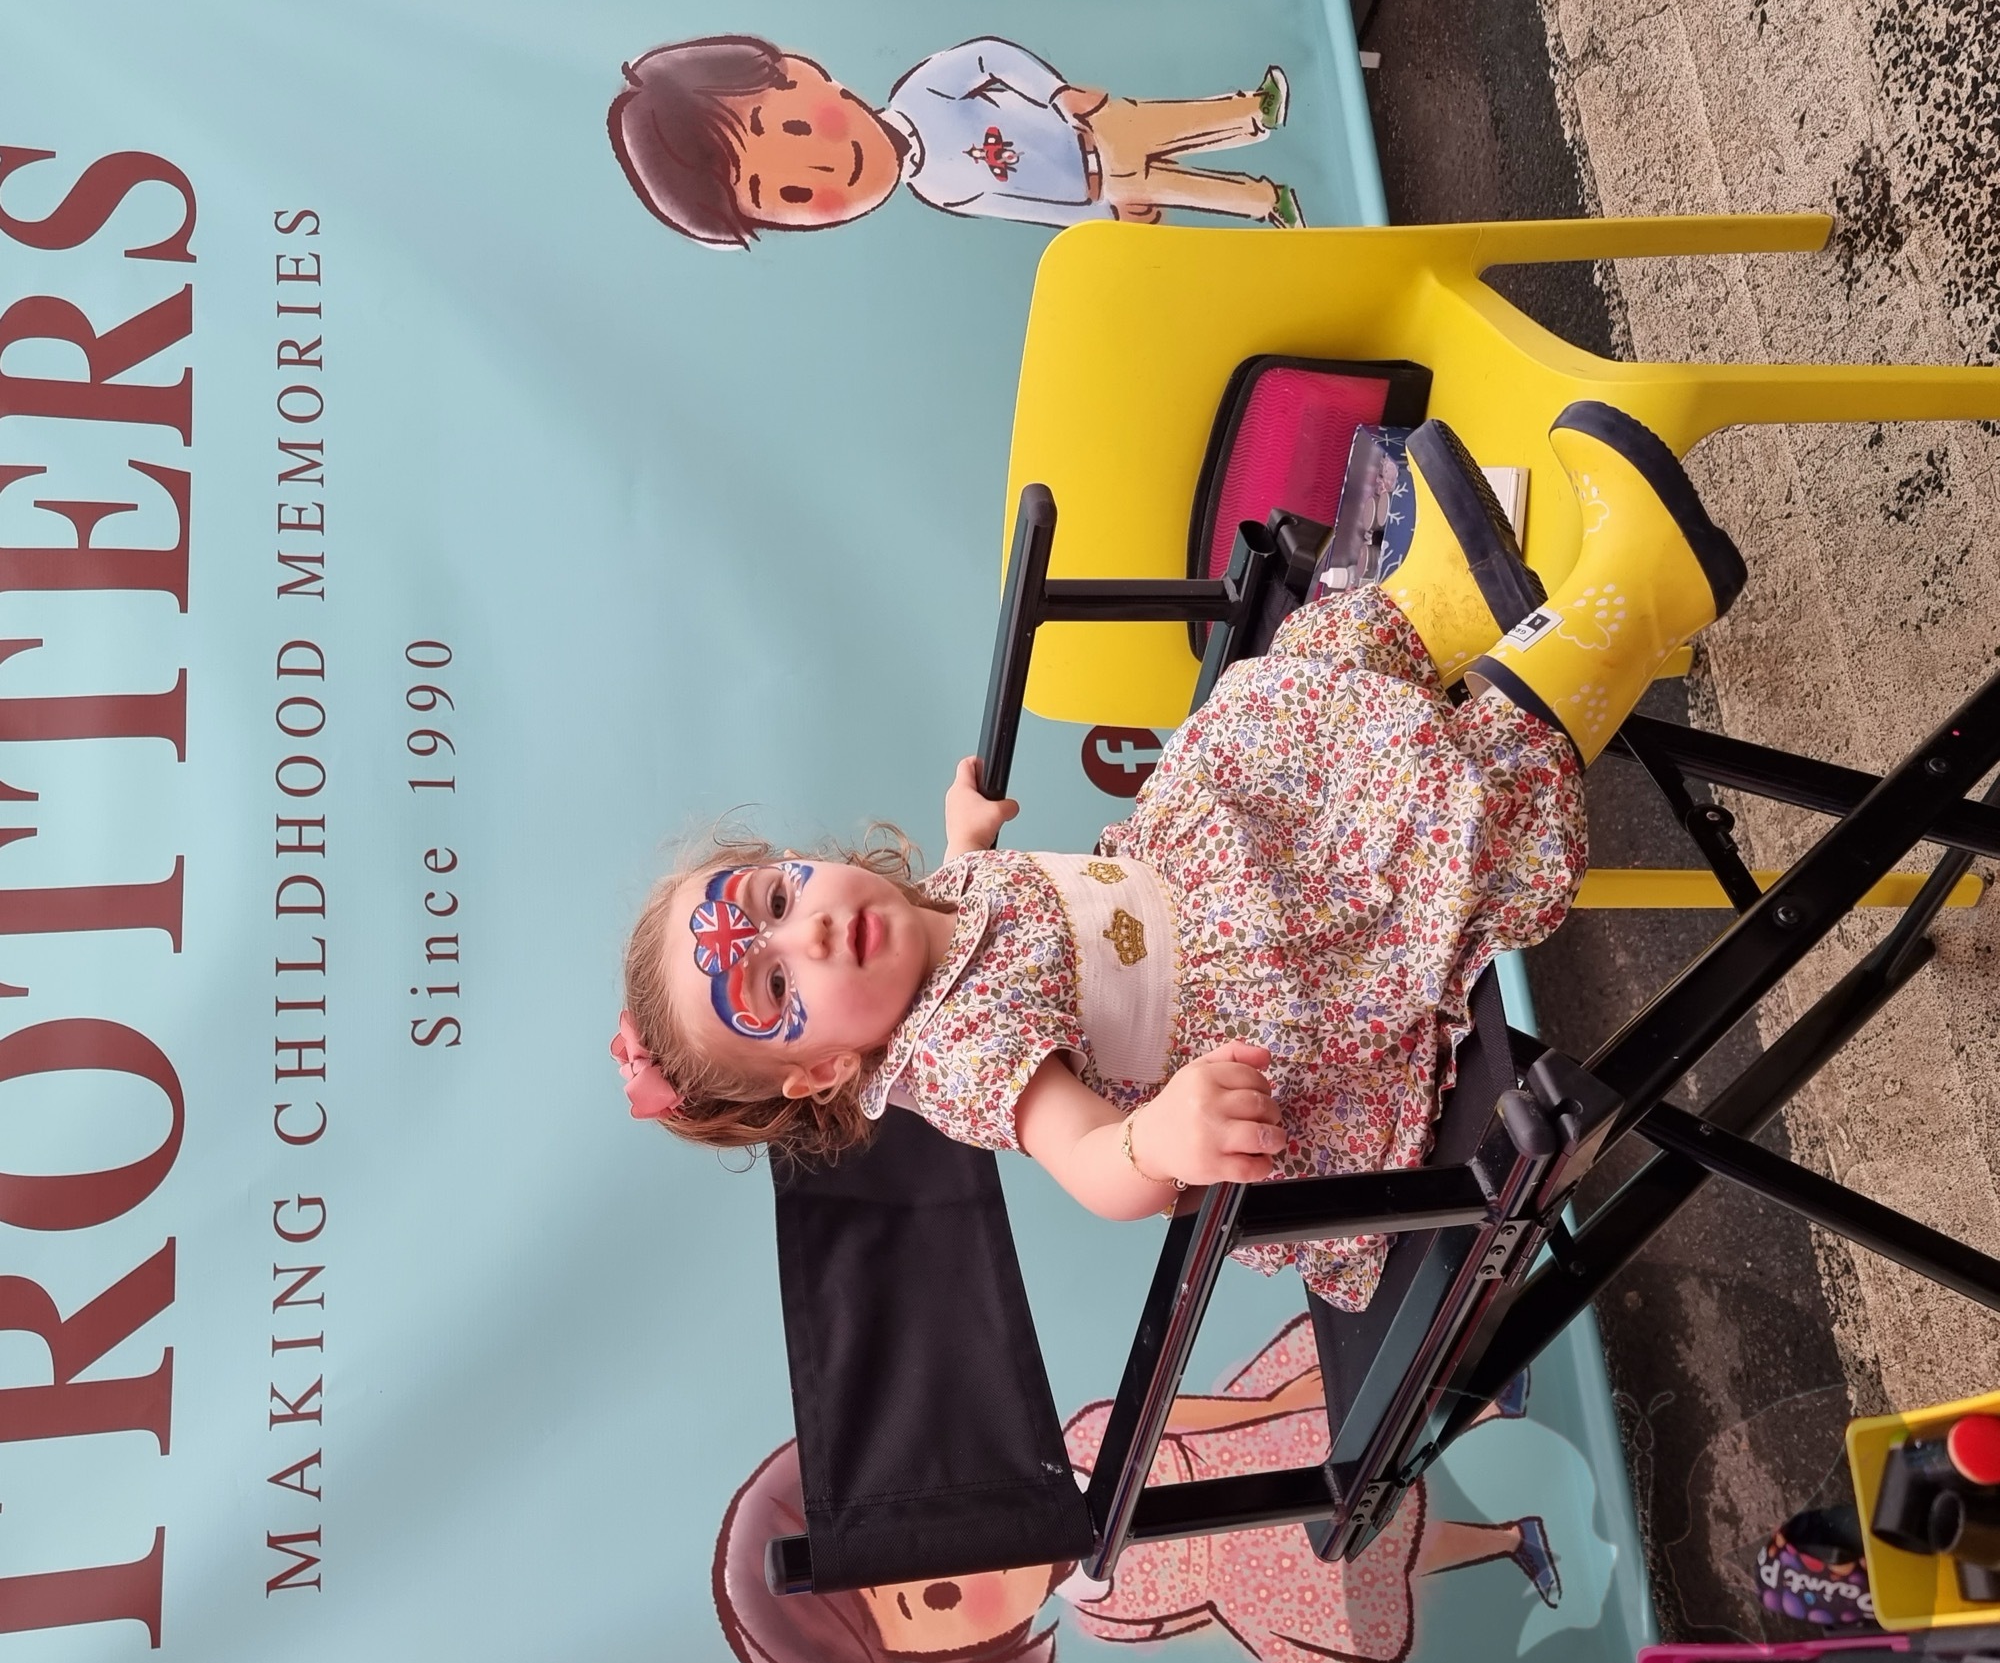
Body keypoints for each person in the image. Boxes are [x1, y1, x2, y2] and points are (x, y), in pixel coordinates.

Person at [613, 402, 1745, 1307]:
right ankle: (1642, 587)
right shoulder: (951, 1051)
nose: (802, 929)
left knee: (1260, 714)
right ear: (819, 1075)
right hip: (1276, 991)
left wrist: (965, 833)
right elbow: (1087, 1163)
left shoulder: (930, 915)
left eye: (770, 894)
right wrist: (1153, 1137)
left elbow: (965, 890)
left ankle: (1445, 592)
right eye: (772, 986)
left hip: (1211, 871)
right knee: (1419, 811)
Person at [713, 1317, 1558, 1663]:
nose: (949, 1574)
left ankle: (1482, 1405)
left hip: (1255, 1464)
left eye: (910, 1543)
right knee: (1386, 1558)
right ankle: (1511, 1539)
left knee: (1378, 1470)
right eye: (927, 1602)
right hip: (1263, 1582)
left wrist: (1274, 1405)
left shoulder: (1084, 1448)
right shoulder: (1101, 1617)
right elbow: (1180, 1612)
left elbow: (1193, 1416)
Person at [607, 33, 1301, 247]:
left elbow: (988, 58)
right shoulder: (939, 188)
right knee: (1172, 185)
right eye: (788, 192)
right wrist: (1100, 217)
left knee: (1164, 125)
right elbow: (1023, 208)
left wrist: (1055, 92)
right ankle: (1265, 201)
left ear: (799, 72)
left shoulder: (922, 94)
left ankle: (1250, 111)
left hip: (1083, 125)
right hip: (1095, 188)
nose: (822, 162)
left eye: (791, 127)